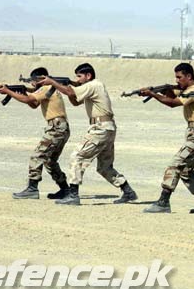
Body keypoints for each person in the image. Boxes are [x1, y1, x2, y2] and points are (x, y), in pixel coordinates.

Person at [37, 63, 137, 206]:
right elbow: (75, 101)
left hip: (100, 128)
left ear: (88, 76)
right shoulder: (93, 87)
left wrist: (53, 83)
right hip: (106, 128)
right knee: (104, 167)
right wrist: (65, 85)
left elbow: (71, 93)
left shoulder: (94, 85)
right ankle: (128, 191)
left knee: (76, 156)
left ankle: (73, 195)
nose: (77, 80)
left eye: (79, 76)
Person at [141, 62, 194, 214]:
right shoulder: (187, 89)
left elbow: (173, 103)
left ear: (189, 76)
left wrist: (153, 94)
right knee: (185, 170)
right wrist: (166, 89)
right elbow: (171, 96)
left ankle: (163, 201)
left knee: (175, 164)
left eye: (179, 77)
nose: (177, 80)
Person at [0, 67, 70, 200]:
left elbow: (28, 100)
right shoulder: (50, 88)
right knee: (49, 161)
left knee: (37, 156)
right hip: (61, 127)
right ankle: (65, 189)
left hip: (56, 127)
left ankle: (32, 188)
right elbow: (34, 103)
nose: (32, 84)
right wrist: (21, 92)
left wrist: (8, 91)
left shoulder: (46, 87)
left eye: (33, 81)